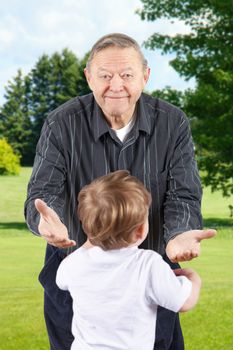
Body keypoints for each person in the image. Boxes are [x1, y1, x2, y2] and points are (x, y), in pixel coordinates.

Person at [24, 33, 216, 350]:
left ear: (145, 76)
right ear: (88, 77)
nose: (116, 86)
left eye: (126, 75)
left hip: (151, 279)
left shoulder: (172, 123)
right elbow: (43, 192)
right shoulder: (61, 123)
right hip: (73, 294)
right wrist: (47, 221)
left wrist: (179, 233)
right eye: (105, 75)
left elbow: (183, 194)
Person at [56, 170, 202, 350]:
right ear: (140, 230)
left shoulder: (73, 264)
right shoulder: (148, 264)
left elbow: (61, 281)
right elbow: (184, 302)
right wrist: (192, 278)